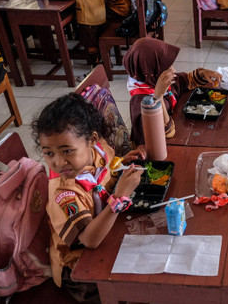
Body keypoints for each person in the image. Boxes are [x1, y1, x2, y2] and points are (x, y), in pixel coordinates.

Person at [32, 93, 145, 302]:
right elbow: (89, 241)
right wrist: (119, 197)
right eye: (49, 153)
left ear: (92, 141)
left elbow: (107, 169)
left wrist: (121, 163)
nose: (58, 162)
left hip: (108, 232)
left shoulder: (98, 151)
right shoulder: (64, 193)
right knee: (139, 287)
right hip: (80, 269)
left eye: (67, 151)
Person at [122, 37, 222, 147]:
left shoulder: (152, 81)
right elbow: (167, 132)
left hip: (177, 135)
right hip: (157, 152)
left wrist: (203, 73)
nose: (173, 70)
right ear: (151, 71)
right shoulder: (141, 101)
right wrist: (158, 96)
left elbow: (184, 81)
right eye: (165, 67)